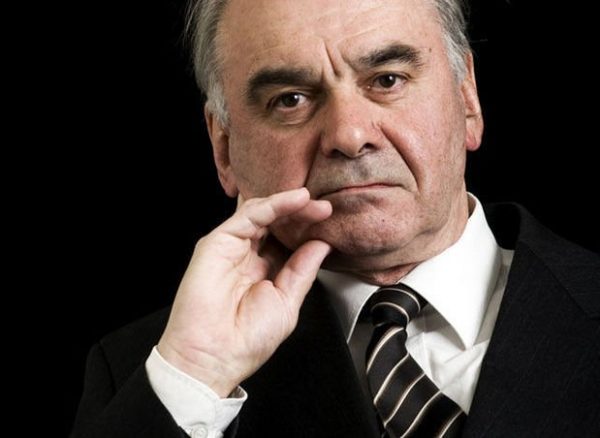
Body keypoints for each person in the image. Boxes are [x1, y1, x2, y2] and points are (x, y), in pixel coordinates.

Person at [71, 0, 600, 437]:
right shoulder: (157, 377)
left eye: (388, 79)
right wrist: (199, 376)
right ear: (224, 149)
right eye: (291, 100)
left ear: (467, 101)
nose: (349, 135)